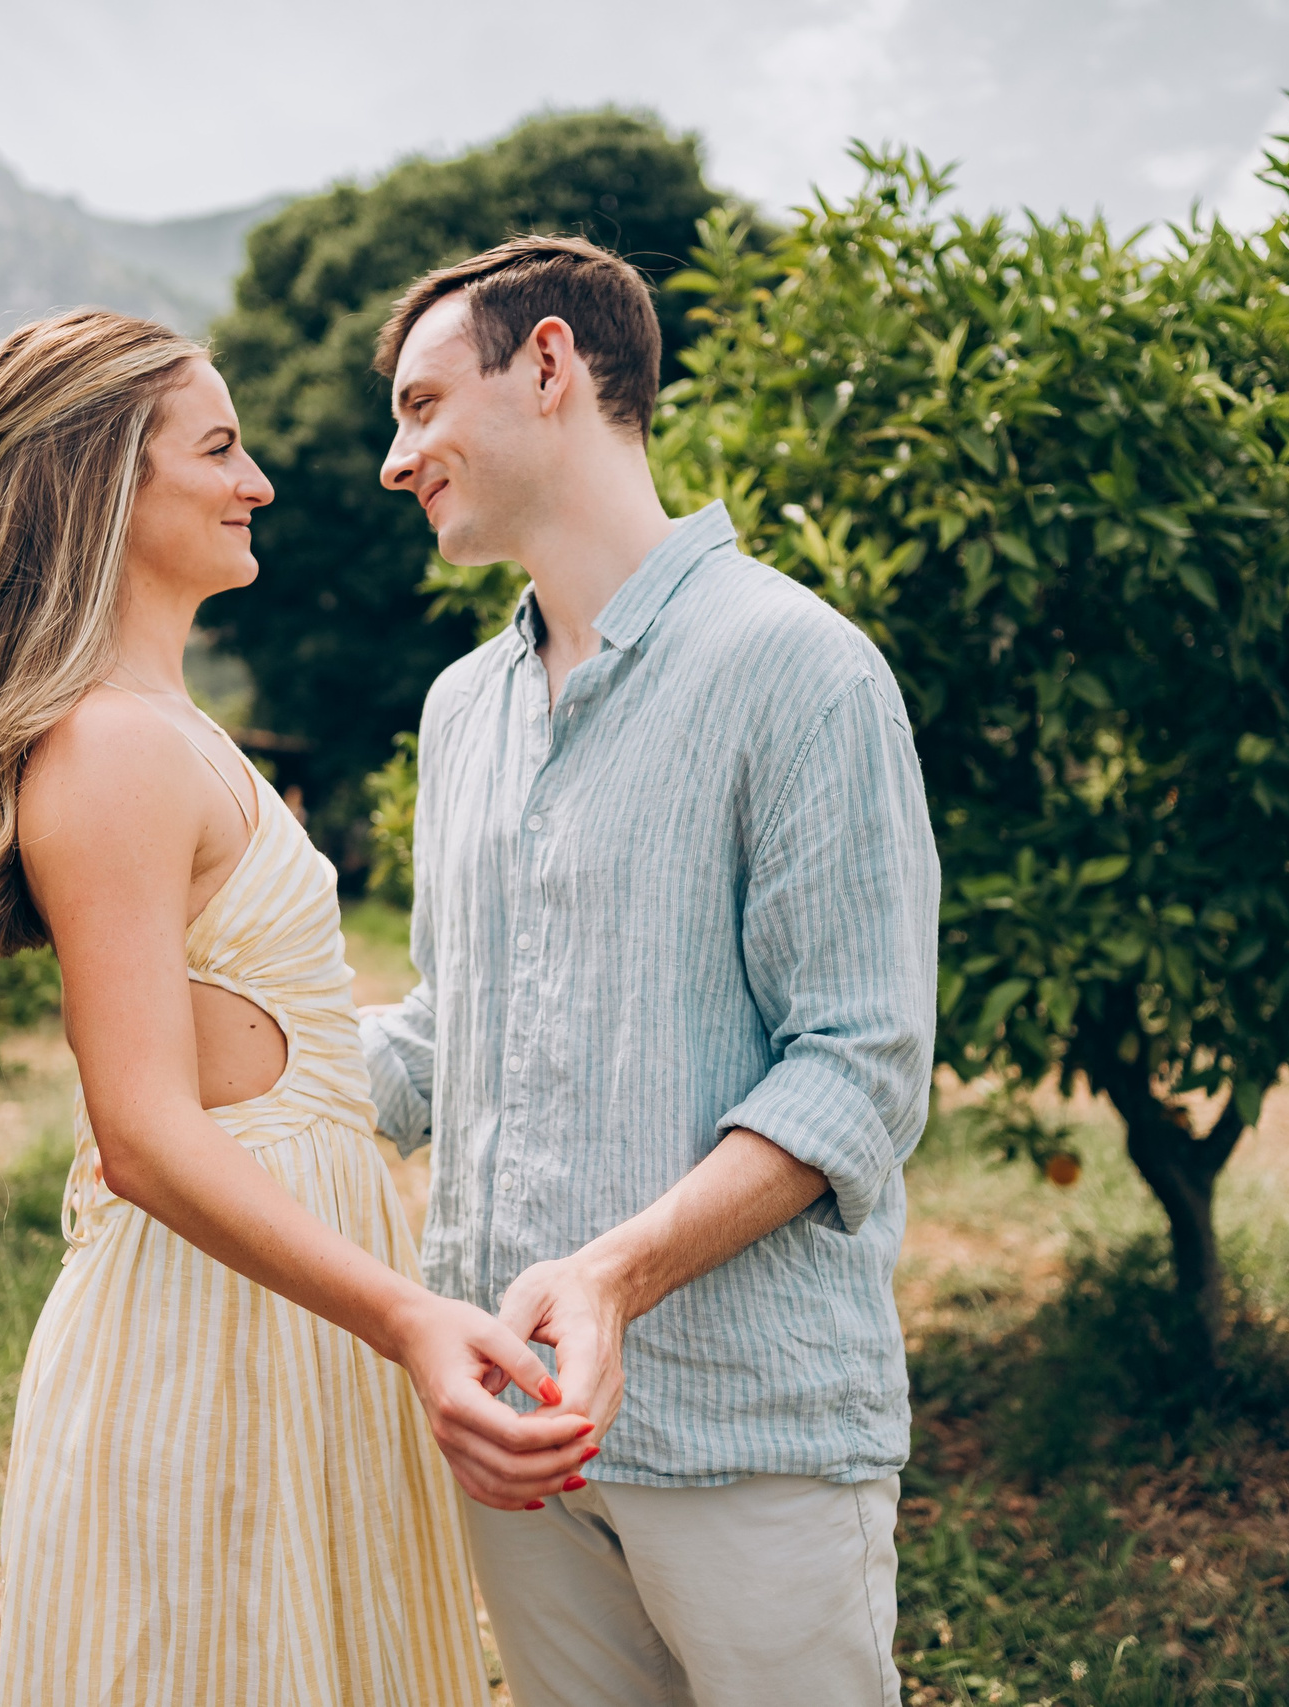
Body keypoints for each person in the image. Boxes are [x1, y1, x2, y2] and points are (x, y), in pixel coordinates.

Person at [0, 309, 595, 1706]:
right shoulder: (106, 747)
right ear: (105, 486)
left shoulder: (166, 727)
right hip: (208, 1334)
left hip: (279, 1312)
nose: (257, 479)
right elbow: (143, 1133)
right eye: (218, 448)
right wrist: (406, 1316)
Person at [362, 236, 941, 1707]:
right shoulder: (458, 712)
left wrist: (616, 1276)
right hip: (522, 1439)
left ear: (549, 365)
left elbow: (860, 1067)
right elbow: (444, 1031)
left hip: (748, 1433)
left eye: (425, 407)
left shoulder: (801, 669)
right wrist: (194, 1069)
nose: (395, 458)